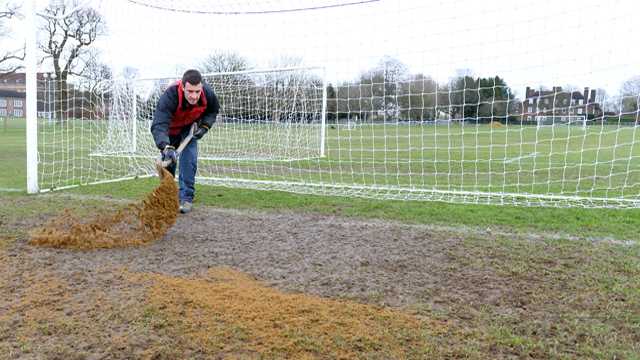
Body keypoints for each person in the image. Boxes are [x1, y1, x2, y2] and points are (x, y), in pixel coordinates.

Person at [151, 69, 220, 214]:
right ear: (183, 87)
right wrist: (166, 146)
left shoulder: (207, 93)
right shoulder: (170, 96)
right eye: (190, 91)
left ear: (201, 87)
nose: (194, 96)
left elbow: (212, 111)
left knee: (189, 161)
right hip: (170, 132)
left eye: (197, 91)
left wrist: (204, 126)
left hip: (189, 131)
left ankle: (186, 198)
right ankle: (168, 196)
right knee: (168, 164)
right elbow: (159, 124)